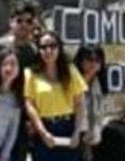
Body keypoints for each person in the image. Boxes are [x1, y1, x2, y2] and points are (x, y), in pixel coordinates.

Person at [0, 4, 38, 161]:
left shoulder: (33, 52)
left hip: (19, 113)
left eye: (28, 21)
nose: (24, 25)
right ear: (11, 22)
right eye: (19, 21)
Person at [25, 31, 87, 161]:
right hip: (44, 127)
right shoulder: (30, 73)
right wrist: (43, 133)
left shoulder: (70, 71)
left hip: (69, 126)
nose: (48, 50)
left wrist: (77, 132)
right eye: (43, 47)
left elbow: (80, 103)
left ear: (59, 48)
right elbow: (29, 105)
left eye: (53, 46)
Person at [73, 45, 109, 160]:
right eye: (89, 59)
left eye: (97, 60)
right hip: (72, 134)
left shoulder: (99, 84)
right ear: (81, 61)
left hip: (91, 139)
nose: (93, 63)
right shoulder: (71, 81)